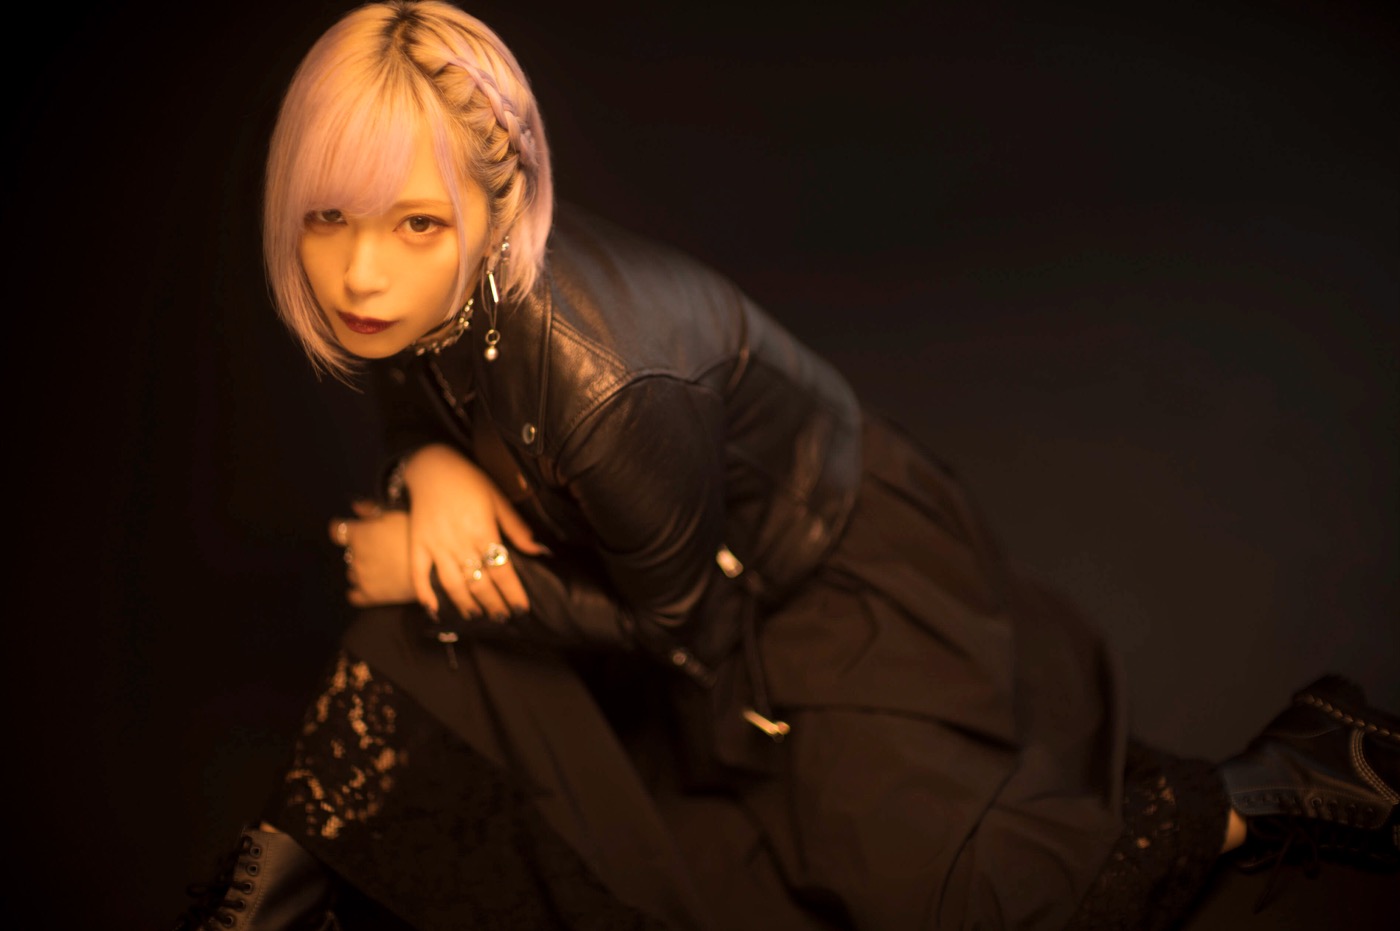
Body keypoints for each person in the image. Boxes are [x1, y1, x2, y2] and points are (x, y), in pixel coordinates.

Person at [175, 2, 1400, 929]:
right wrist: (433, 469)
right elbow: (418, 384)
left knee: (951, 899)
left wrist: (444, 571)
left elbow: (680, 633)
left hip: (813, 585)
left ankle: (1278, 775)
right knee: (406, 657)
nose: (359, 276)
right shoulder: (426, 297)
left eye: (414, 224)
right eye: (328, 217)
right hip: (652, 564)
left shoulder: (604, 394)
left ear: (498, 213)